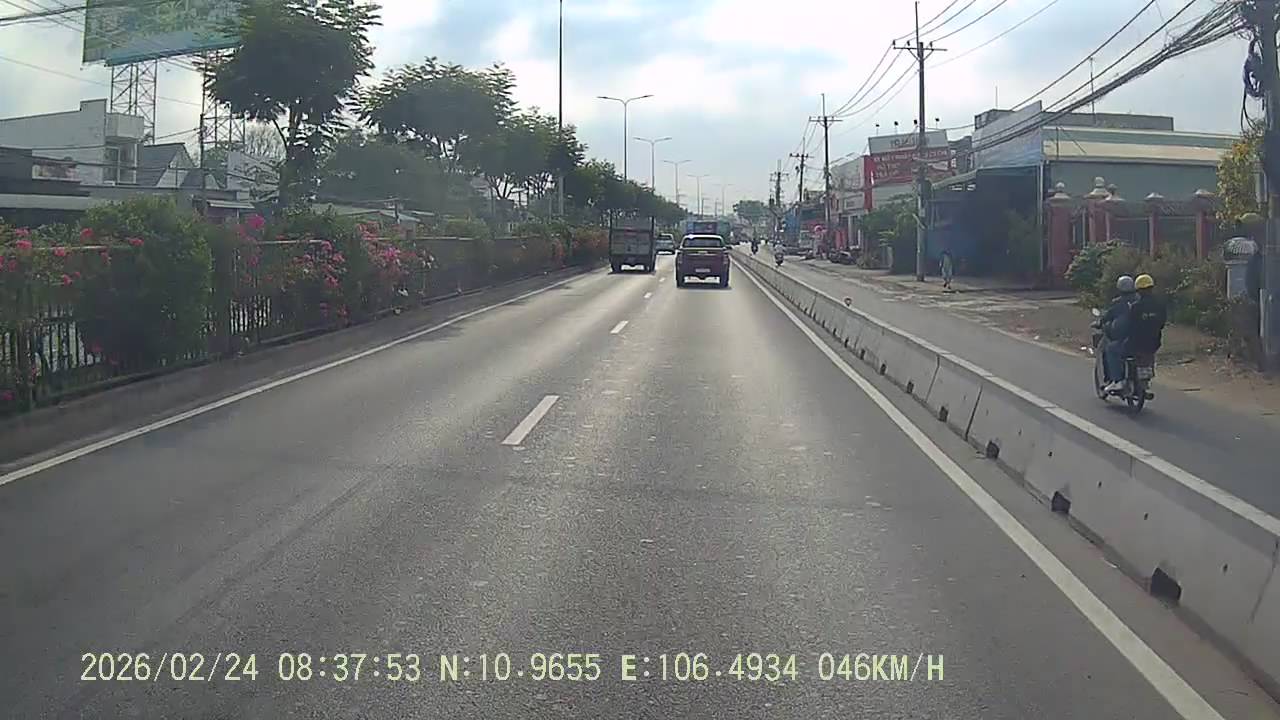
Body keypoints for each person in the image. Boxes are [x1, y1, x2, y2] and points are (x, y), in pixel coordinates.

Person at [1100, 275, 1137, 391]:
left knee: (1111, 349)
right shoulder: (1139, 300)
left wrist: (1100, 322)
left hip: (1127, 341)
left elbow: (1107, 316)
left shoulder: (1118, 303)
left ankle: (1117, 380)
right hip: (1145, 341)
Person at [1125, 273, 1167, 361]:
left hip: (1138, 344)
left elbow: (1130, 326)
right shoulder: (1160, 304)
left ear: (1138, 290)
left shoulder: (1135, 307)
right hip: (1154, 343)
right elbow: (1162, 324)